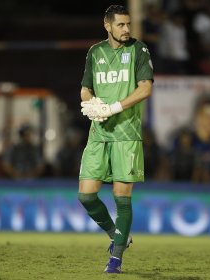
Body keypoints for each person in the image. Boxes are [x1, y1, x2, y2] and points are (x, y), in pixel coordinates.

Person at [78, 5, 153, 274]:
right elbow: (85, 90)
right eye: (120, 25)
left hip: (126, 135)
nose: (126, 29)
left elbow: (145, 88)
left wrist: (114, 108)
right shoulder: (95, 52)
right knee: (86, 196)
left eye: (128, 24)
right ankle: (115, 234)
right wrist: (93, 105)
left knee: (122, 197)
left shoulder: (138, 50)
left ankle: (116, 259)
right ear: (107, 26)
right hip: (99, 135)